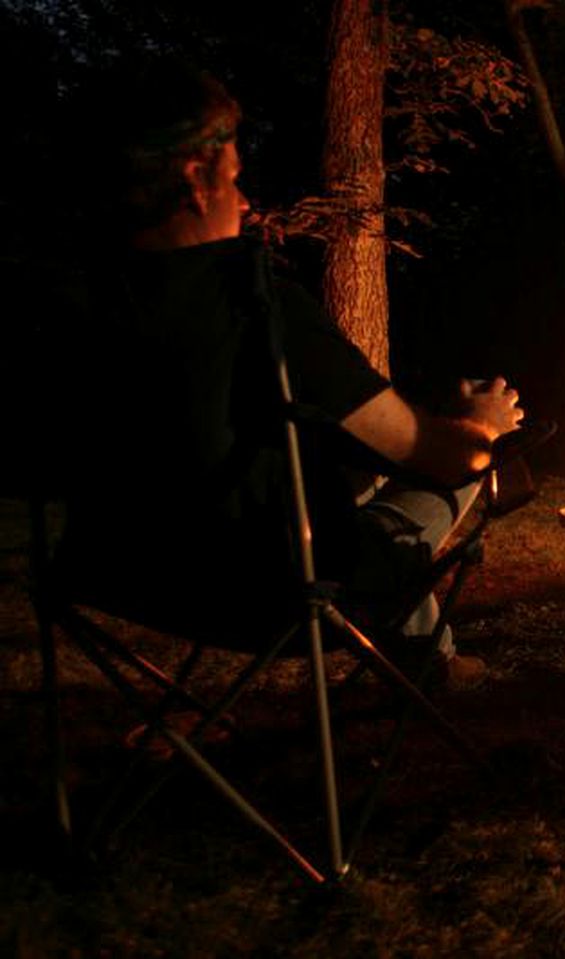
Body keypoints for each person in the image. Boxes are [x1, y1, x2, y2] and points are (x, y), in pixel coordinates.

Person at [46, 60, 522, 685]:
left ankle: (434, 657)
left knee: (348, 468)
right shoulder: (251, 303)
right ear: (196, 180)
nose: (244, 204)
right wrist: (479, 424)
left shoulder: (65, 308)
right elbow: (433, 454)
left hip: (116, 577)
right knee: (473, 455)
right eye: (236, 179)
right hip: (275, 595)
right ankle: (431, 661)